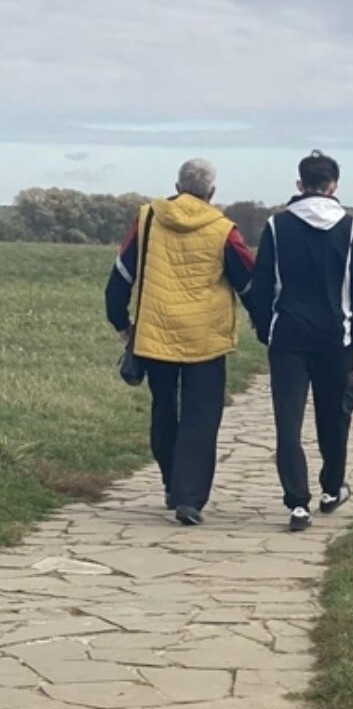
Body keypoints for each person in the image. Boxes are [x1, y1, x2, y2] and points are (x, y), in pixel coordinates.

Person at [105, 159, 254, 526]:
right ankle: (189, 498)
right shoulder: (223, 230)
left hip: (156, 335)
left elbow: (121, 275)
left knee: (164, 410)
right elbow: (247, 280)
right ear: (212, 193)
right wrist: (267, 323)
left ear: (177, 184)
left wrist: (121, 323)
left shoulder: (148, 219)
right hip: (206, 337)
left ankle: (172, 482)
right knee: (201, 417)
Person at [249, 150, 353, 532]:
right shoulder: (350, 228)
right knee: (334, 416)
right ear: (334, 185)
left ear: (299, 185)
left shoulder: (276, 226)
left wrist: (263, 328)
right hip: (337, 337)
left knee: (288, 420)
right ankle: (332, 488)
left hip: (287, 335)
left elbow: (262, 285)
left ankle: (297, 502)